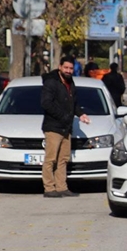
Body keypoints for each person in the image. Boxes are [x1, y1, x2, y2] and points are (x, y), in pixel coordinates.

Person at [40, 55, 90, 198]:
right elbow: (46, 103)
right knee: (51, 159)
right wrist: (63, 116)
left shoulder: (70, 82)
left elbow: (73, 103)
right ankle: (49, 188)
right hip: (53, 127)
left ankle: (62, 187)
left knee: (63, 159)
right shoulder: (51, 82)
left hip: (66, 127)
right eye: (66, 68)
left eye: (70, 68)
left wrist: (81, 114)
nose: (68, 71)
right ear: (60, 67)